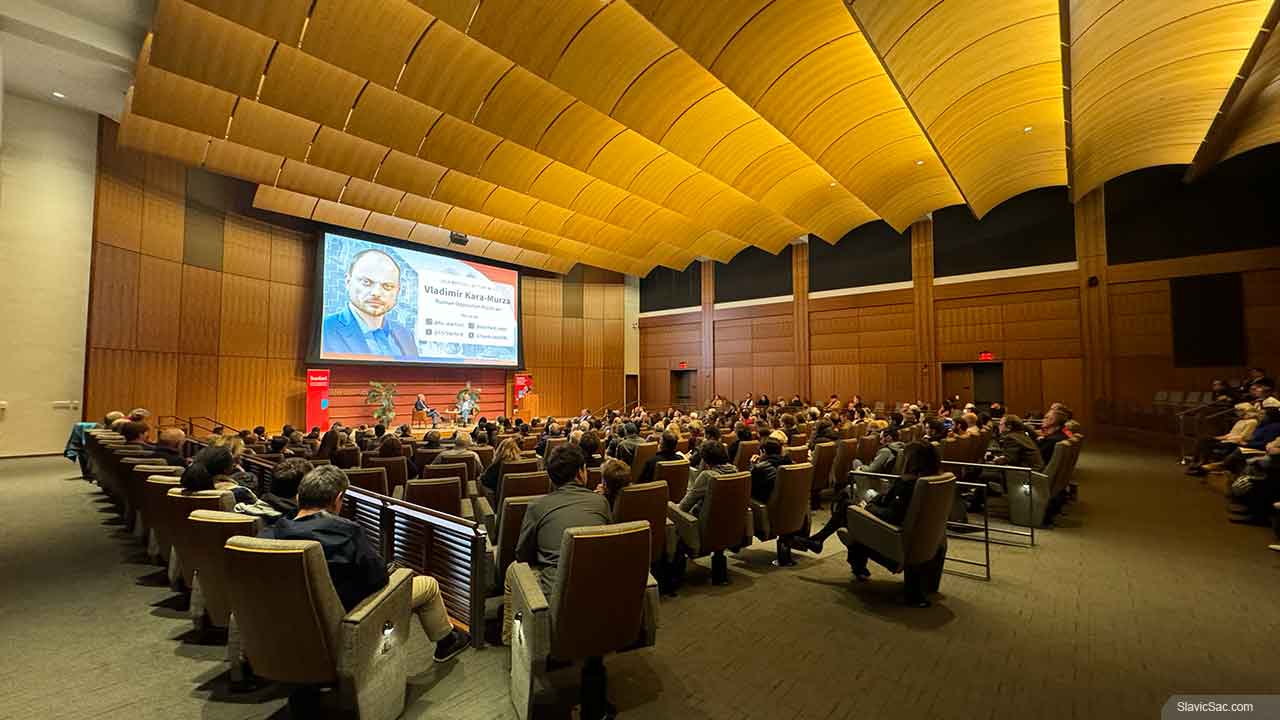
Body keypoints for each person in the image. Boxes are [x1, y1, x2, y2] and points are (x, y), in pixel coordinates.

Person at [261, 466, 469, 662]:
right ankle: (447, 641)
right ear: (338, 499)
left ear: (299, 498)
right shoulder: (346, 531)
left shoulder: (273, 532)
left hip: (295, 621)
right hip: (350, 616)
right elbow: (377, 579)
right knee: (428, 585)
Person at [841, 442, 944, 607]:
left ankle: (848, 554)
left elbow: (892, 516)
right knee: (848, 508)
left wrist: (868, 507)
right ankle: (828, 543)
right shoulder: (936, 480)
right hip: (924, 540)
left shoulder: (908, 484)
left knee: (847, 509)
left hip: (895, 538)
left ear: (911, 461)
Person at [321, 248, 419, 359]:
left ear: (398, 291)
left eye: (387, 286)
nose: (376, 293)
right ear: (348, 282)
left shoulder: (406, 335)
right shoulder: (325, 330)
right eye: (366, 282)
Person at [677, 440, 738, 515]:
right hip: (729, 518)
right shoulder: (735, 471)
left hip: (702, 521)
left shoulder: (707, 476)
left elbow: (684, 506)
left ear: (705, 460)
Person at [748, 431, 789, 504]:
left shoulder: (760, 468)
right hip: (787, 502)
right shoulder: (789, 462)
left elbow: (750, 488)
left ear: (763, 451)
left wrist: (752, 466)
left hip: (765, 503)